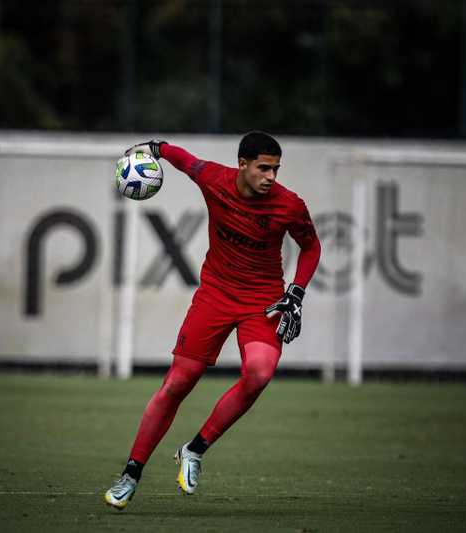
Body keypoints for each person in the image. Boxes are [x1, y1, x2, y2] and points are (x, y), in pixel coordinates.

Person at [105, 131, 321, 510]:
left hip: (262, 300)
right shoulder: (214, 180)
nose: (271, 177)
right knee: (177, 384)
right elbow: (183, 159)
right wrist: (153, 149)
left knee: (259, 373)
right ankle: (130, 475)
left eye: (276, 169)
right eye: (263, 168)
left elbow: (311, 246)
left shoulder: (289, 205)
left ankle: (194, 449)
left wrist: (297, 292)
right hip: (216, 294)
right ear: (242, 165)